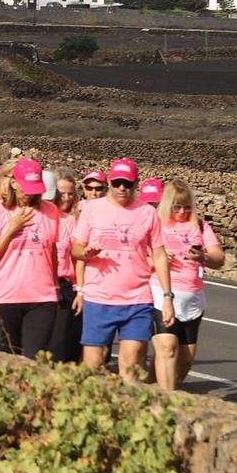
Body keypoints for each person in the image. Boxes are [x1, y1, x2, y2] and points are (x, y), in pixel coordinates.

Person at [70, 157, 174, 379]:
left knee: (132, 361)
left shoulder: (147, 213)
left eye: (127, 183)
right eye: (117, 183)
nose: (122, 188)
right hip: (99, 297)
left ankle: (128, 408)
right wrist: (86, 253)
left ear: (136, 183)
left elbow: (159, 254)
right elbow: (76, 248)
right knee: (93, 363)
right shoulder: (92, 209)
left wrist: (167, 297)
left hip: (137, 299)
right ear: (109, 181)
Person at [0, 163, 72, 360]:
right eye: (26, 189)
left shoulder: (50, 211)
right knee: (10, 361)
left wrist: (55, 286)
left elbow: (52, 251)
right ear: (14, 183)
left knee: (33, 360)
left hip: (42, 298)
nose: (30, 195)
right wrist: (12, 230)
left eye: (35, 190)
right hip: (5, 297)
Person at [148, 178, 223, 390]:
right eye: (177, 207)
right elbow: (139, 255)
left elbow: (219, 257)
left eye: (187, 207)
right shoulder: (156, 222)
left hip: (193, 296)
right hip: (161, 292)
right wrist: (158, 260)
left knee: (185, 359)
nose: (182, 212)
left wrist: (203, 257)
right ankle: (166, 401)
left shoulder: (199, 225)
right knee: (167, 348)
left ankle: (150, 388)